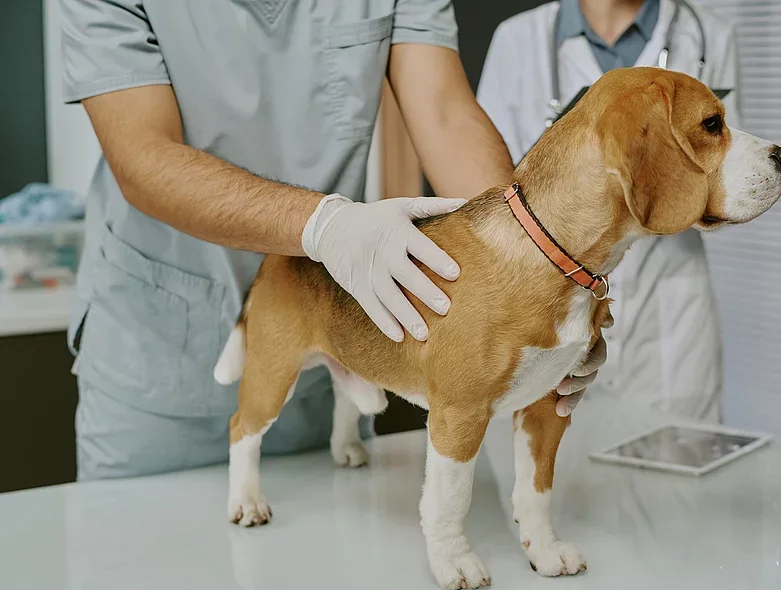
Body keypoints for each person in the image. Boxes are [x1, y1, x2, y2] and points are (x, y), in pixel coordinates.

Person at [60, 0, 603, 480]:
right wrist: (325, 224)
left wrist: (536, 277)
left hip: (330, 354)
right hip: (157, 368)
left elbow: (444, 117)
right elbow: (143, 158)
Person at [478, 0, 742, 421]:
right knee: (548, 472)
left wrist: (663, 178)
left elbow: (727, 180)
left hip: (668, 311)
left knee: (675, 477)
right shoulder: (517, 41)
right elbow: (489, 190)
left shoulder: (708, 36)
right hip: (548, 305)